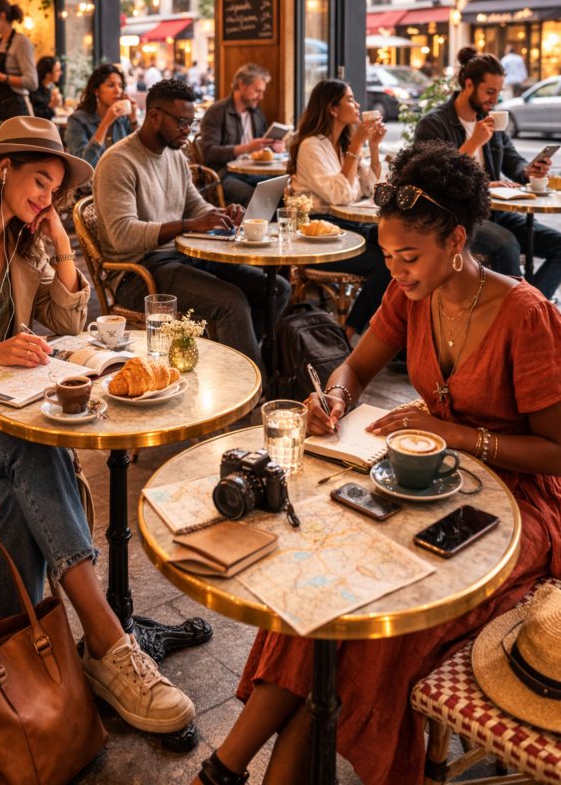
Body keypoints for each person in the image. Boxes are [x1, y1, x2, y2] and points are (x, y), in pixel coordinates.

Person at [191, 140, 561, 785]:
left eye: (409, 256)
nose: (397, 271)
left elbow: (558, 454)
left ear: (456, 239)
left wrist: (452, 434)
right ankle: (225, 767)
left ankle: (240, 774)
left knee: (379, 628)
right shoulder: (411, 293)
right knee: (327, 594)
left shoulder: (525, 316)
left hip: (521, 507)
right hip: (435, 484)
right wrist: (333, 397)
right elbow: (357, 368)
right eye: (387, 256)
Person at [0, 115, 195, 735]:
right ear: (4, 170)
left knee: (20, 488)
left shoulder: (26, 242)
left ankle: (12, 663)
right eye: (41, 183)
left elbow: (67, 317)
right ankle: (107, 643)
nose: (48, 198)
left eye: (55, 190)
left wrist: (62, 243)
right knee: (34, 452)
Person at [92, 79, 290, 379]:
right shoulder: (118, 161)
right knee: (232, 302)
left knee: (276, 288)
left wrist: (219, 214)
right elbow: (122, 236)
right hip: (138, 272)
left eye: (191, 121)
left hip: (180, 257)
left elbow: (195, 206)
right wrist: (188, 225)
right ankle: (253, 395)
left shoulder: (175, 155)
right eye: (181, 121)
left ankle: (238, 370)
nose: (188, 129)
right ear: (154, 115)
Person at [415, 45, 561, 300]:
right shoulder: (433, 123)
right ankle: (518, 314)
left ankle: (529, 309)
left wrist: (530, 171)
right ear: (469, 85)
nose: (494, 100)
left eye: (498, 93)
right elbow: (433, 183)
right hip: (457, 218)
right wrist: (473, 144)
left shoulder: (492, 121)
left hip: (496, 211)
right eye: (490, 92)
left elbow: (513, 162)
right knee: (507, 245)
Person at [288, 79, 391, 342]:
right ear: (332, 109)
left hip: (343, 225)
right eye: (350, 99)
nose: (357, 105)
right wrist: (357, 145)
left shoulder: (343, 143)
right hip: (317, 234)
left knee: (395, 249)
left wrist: (373, 146)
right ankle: (357, 334)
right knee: (385, 264)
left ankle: (365, 332)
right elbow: (339, 195)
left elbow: (371, 188)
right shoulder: (312, 146)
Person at [199, 63, 284, 207]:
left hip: (256, 172)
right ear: (242, 85)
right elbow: (208, 153)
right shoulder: (217, 111)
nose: (261, 97)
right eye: (257, 91)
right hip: (226, 174)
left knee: (286, 193)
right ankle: (260, 229)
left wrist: (273, 146)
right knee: (258, 199)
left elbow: (262, 144)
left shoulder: (256, 112)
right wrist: (247, 148)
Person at [65, 64, 137, 169]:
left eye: (120, 86)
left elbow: (139, 156)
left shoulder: (122, 118)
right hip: (90, 184)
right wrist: (105, 124)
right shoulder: (77, 120)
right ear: (96, 90)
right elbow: (83, 166)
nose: (118, 91)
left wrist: (133, 120)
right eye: (111, 85)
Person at [29, 55, 62, 120]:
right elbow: (38, 119)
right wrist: (52, 107)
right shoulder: (35, 92)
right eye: (57, 70)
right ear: (48, 74)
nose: (60, 73)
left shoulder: (52, 87)